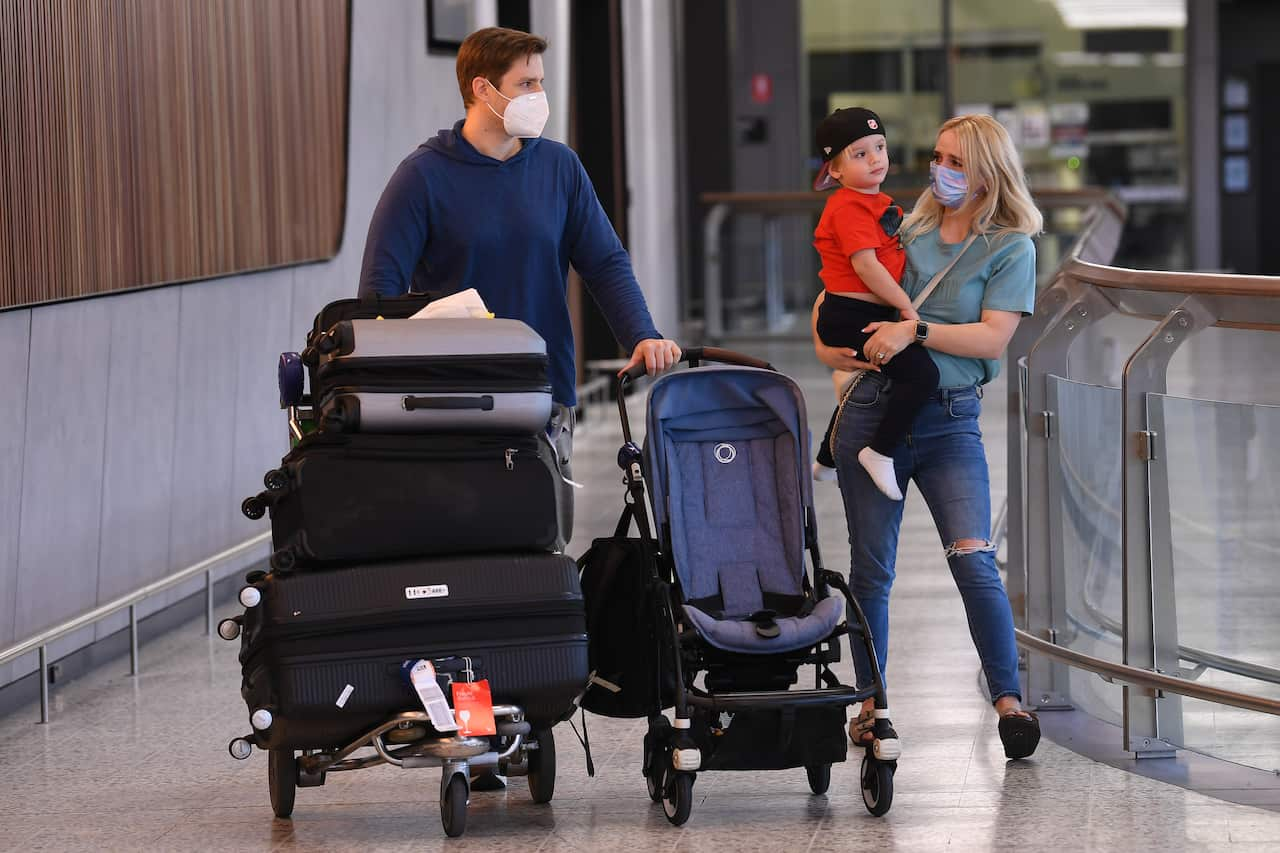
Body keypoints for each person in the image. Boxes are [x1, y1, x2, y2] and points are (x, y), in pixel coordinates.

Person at [358, 25, 680, 789]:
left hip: (541, 403)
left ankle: (522, 718)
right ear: (483, 90)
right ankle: (468, 723)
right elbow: (379, 292)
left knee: (534, 564)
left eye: (540, 81)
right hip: (446, 409)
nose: (539, 96)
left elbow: (603, 259)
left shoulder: (558, 169)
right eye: (528, 83)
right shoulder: (424, 178)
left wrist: (645, 333)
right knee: (460, 568)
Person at [813, 114, 1043, 760]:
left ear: (987, 173)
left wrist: (914, 332)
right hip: (874, 411)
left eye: (957, 161)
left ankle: (1010, 702)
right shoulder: (902, 229)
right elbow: (833, 302)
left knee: (973, 556)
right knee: (872, 571)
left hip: (948, 418)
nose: (941, 169)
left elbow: (992, 338)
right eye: (939, 155)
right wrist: (836, 348)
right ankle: (870, 707)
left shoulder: (1010, 247)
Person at [809, 107, 938, 500]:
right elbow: (866, 266)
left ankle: (826, 460)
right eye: (859, 154)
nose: (875, 158)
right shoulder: (847, 206)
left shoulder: (875, 202)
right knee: (922, 376)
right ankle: (879, 452)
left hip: (860, 312)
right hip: (853, 315)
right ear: (835, 170)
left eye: (879, 147)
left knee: (869, 380)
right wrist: (907, 309)